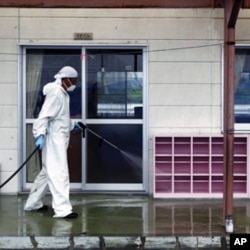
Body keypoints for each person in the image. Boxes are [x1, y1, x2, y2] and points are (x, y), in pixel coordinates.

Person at [24, 66, 80, 219]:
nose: (75, 83)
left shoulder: (62, 93)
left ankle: (32, 204)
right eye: (74, 80)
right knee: (59, 173)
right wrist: (39, 135)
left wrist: (73, 124)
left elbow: (59, 118)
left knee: (47, 172)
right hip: (53, 139)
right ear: (66, 79)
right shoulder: (56, 93)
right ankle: (63, 210)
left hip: (58, 137)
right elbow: (44, 116)